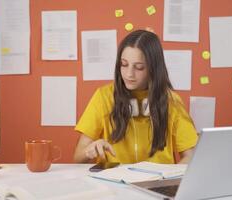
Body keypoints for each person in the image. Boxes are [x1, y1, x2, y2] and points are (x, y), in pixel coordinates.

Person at [73, 30, 198, 164]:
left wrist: (170, 179)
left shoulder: (171, 101)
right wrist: (90, 150)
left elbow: (191, 156)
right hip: (112, 183)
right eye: (124, 64)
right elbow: (77, 158)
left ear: (153, 69)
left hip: (157, 183)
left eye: (139, 67)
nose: (129, 74)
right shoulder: (103, 97)